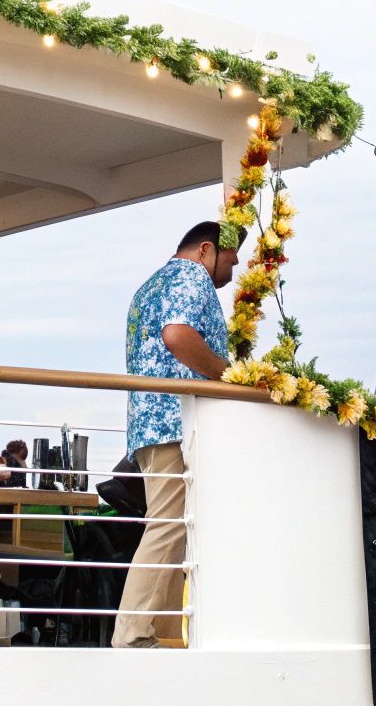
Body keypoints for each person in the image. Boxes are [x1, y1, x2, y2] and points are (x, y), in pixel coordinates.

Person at [112, 221, 239, 649]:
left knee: (175, 526)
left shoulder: (152, 284)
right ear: (206, 250)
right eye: (231, 258)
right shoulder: (190, 276)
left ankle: (161, 631)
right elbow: (178, 335)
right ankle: (132, 634)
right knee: (168, 524)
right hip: (173, 420)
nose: (234, 269)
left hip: (151, 421)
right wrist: (230, 376)